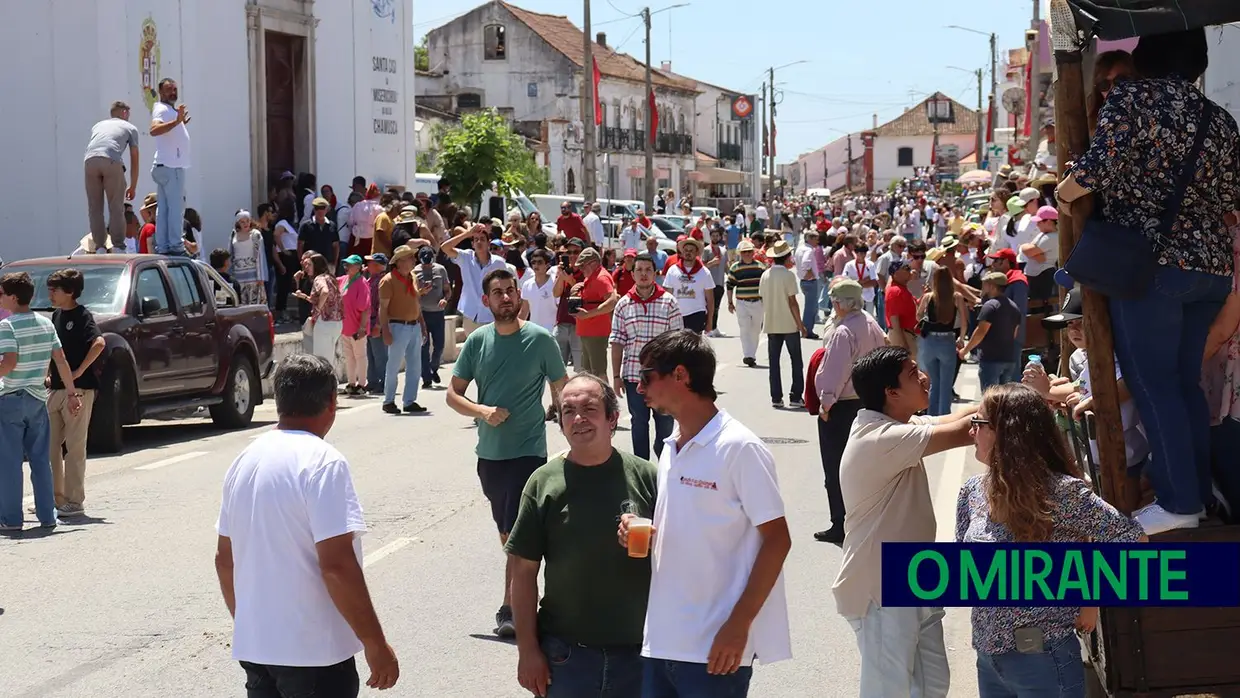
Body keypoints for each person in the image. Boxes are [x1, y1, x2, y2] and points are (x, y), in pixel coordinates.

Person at [619, 330, 792, 697]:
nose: (638, 387)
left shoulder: (740, 447)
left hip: (716, 648)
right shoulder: (671, 447)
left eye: (647, 376)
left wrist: (740, 625)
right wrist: (648, 534)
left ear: (680, 375)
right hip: (661, 643)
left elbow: (778, 540)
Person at [214, 354, 399, 696]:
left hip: (258, 648)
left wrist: (251, 627)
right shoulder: (323, 462)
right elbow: (338, 566)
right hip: (313, 654)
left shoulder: (244, 460)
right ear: (332, 402)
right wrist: (375, 643)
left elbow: (225, 560)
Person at [958, 383, 1146, 697]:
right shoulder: (972, 492)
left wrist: (1089, 595)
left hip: (1043, 660)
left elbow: (1131, 540)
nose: (971, 432)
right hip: (988, 660)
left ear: (1009, 434)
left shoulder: (1061, 493)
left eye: (978, 423)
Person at [833, 346, 977, 698]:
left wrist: (1021, 395)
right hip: (881, 587)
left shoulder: (896, 424)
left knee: (931, 684)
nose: (925, 377)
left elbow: (956, 417)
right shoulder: (881, 439)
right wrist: (1027, 400)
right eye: (913, 374)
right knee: (889, 691)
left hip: (912, 576)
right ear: (891, 392)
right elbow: (964, 431)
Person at [506, 374, 656, 698]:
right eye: (567, 411)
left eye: (589, 409)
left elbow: (687, 555)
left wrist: (657, 541)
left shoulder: (647, 476)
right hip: (565, 656)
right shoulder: (543, 483)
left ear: (612, 418)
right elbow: (523, 572)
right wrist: (528, 651)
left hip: (640, 654)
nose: (578, 419)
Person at [446, 268, 568, 638]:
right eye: (497, 292)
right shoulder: (478, 341)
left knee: (516, 531)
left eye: (510, 290)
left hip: (529, 450)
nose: (505, 297)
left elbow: (561, 388)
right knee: (508, 533)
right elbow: (453, 394)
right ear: (486, 301)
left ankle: (512, 608)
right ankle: (525, 597)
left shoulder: (541, 340)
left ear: (520, 296)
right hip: (490, 455)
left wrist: (572, 425)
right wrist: (482, 411)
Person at [0, 272, 83, 531]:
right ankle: (48, 516)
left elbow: (9, 362)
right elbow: (60, 360)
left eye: (1, 293)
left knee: (11, 462)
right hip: (37, 399)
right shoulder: (46, 324)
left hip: (11, 399)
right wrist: (71, 393)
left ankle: (11, 519)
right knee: (40, 460)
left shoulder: (7, 326)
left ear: (13, 298)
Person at [812, 279, 886, 545]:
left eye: (835, 301)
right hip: (867, 402)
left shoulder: (844, 332)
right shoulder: (870, 322)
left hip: (843, 405)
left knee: (836, 467)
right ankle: (863, 520)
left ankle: (840, 523)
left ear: (843, 303)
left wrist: (825, 403)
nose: (833, 305)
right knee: (863, 465)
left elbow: (835, 372)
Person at [609, 252, 683, 461]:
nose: (643, 274)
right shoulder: (623, 305)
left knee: (665, 423)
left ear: (656, 274)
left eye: (648, 270)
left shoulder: (669, 303)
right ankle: (642, 469)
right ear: (632, 274)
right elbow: (617, 341)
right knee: (639, 424)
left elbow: (678, 343)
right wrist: (616, 376)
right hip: (634, 377)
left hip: (663, 377)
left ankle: (667, 467)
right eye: (639, 270)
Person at [46, 269, 105, 518]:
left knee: (74, 446)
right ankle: (55, 497)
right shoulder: (55, 316)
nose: (50, 294)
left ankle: (74, 500)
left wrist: (80, 370)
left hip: (78, 391)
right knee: (49, 446)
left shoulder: (82, 315)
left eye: (55, 290)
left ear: (70, 291)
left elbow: (99, 343)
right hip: (56, 389)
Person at [377, 246, 429, 415]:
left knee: (415, 366)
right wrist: (385, 330)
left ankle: (409, 400)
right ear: (399, 262)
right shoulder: (388, 281)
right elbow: (383, 308)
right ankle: (389, 400)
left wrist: (422, 324)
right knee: (394, 365)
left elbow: (415, 302)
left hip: (413, 325)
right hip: (398, 326)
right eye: (409, 258)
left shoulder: (411, 277)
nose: (413, 261)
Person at [84, 101, 140, 252]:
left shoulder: (98, 125)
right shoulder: (129, 127)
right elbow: (134, 157)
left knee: (95, 207)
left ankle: (100, 246)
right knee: (116, 206)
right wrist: (133, 185)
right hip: (111, 160)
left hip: (90, 160)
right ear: (124, 113)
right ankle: (118, 245)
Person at [758, 241, 806, 409]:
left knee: (774, 362)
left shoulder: (765, 275)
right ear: (786, 258)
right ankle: (796, 395)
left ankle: (776, 397)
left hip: (772, 323)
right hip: (789, 323)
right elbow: (793, 302)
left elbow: (763, 298)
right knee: (796, 361)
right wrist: (801, 325)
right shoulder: (788, 275)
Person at [441, 223, 509, 336]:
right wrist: (467, 233)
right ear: (472, 244)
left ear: (488, 243)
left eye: (482, 239)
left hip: (491, 315)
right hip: (470, 315)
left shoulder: (499, 262)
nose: (479, 242)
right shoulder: (465, 257)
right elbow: (444, 247)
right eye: (476, 239)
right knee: (474, 351)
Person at [918, 264, 969, 416]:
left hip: (930, 342)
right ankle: (945, 417)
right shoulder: (956, 297)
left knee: (934, 383)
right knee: (946, 385)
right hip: (947, 341)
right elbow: (964, 322)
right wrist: (961, 339)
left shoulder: (929, 297)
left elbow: (918, 315)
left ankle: (931, 417)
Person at [149, 78, 191, 256]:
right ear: (160, 92)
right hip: (171, 167)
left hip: (164, 165)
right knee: (175, 208)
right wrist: (176, 123)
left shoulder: (168, 110)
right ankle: (175, 246)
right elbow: (154, 130)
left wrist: (179, 124)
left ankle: (164, 246)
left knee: (164, 209)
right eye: (168, 90)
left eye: (174, 89)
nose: (173, 93)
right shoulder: (161, 108)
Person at [960, 272, 1022, 392]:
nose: (983, 287)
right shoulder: (1014, 307)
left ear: (992, 286)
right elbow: (1014, 334)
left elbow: (980, 332)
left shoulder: (990, 306)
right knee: (1005, 399)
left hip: (991, 360)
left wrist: (965, 350)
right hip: (1008, 359)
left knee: (990, 401)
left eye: (985, 284)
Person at [572, 247, 620, 377]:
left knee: (598, 374)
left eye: (582, 266)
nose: (580, 269)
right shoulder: (593, 276)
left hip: (596, 333)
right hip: (588, 332)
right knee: (589, 374)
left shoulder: (601, 278)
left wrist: (587, 315)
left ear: (593, 263)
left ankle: (605, 397)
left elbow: (612, 302)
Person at [662, 237, 715, 334]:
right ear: (682, 252)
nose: (688, 253)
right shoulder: (673, 270)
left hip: (697, 314)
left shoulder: (705, 272)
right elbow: (666, 295)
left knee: (693, 347)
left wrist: (710, 321)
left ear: (696, 253)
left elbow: (710, 299)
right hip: (676, 314)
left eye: (691, 251)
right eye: (685, 250)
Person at [415, 246, 449, 390]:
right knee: (424, 346)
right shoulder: (415, 272)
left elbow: (447, 290)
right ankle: (426, 378)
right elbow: (411, 293)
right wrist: (420, 292)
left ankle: (433, 367)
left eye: (429, 262)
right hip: (422, 313)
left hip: (438, 312)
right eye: (425, 262)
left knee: (439, 344)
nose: (427, 265)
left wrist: (445, 299)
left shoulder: (440, 270)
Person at [727, 239, 765, 368]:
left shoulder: (760, 266)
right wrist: (730, 302)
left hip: (758, 302)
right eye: (744, 252)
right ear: (740, 254)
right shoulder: (735, 268)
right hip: (742, 302)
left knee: (755, 329)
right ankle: (748, 355)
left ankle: (751, 353)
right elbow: (730, 286)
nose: (747, 254)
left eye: (749, 251)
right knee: (744, 329)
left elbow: (765, 285)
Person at [338, 255, 371, 396]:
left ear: (358, 267)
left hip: (357, 326)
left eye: (350, 265)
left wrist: (362, 328)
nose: (347, 267)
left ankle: (362, 384)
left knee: (360, 356)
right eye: (346, 264)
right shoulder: (344, 279)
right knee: (349, 356)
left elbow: (365, 308)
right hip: (345, 325)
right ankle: (351, 383)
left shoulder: (362, 282)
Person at [228, 210, 269, 307]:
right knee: (240, 305)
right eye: (242, 222)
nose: (246, 224)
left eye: (247, 221)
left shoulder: (255, 235)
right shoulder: (233, 235)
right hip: (238, 276)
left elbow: (260, 255)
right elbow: (230, 255)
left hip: (253, 276)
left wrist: (261, 277)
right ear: (238, 223)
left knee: (254, 305)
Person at [363, 253, 389, 396]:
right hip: (368, 322)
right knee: (370, 354)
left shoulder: (382, 282)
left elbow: (382, 306)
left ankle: (383, 382)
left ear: (379, 266)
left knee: (380, 354)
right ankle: (372, 381)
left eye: (371, 263)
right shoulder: (369, 280)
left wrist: (379, 325)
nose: (368, 265)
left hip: (376, 321)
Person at [884, 259, 919, 360]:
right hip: (902, 335)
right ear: (895, 274)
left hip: (908, 334)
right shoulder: (894, 291)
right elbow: (894, 319)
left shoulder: (902, 288)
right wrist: (903, 345)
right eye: (906, 268)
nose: (910, 271)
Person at [299, 197, 341, 271]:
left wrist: (334, 263)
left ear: (326, 210)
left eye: (322, 208)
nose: (320, 211)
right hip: (311, 264)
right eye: (317, 208)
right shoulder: (306, 226)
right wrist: (302, 263)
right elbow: (300, 245)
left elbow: (336, 246)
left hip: (328, 263)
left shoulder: (332, 225)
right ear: (314, 210)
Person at [794, 230, 822, 339]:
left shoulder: (800, 248)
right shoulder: (809, 250)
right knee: (811, 308)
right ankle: (807, 330)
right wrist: (809, 273)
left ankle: (805, 328)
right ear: (810, 239)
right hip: (810, 281)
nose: (817, 241)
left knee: (810, 306)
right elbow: (806, 263)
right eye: (815, 239)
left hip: (804, 281)